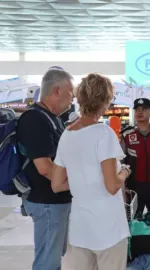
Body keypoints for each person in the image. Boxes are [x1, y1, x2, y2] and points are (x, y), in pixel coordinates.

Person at [51, 73, 131, 269]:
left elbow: (57, 185)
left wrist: (83, 181)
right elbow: (112, 186)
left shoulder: (67, 135)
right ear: (105, 101)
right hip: (109, 227)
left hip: (80, 228)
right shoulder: (104, 133)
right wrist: (124, 172)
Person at [17, 67, 74, 270]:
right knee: (48, 261)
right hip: (47, 201)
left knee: (54, 256)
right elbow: (45, 168)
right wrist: (77, 184)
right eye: (70, 92)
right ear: (57, 91)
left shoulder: (53, 119)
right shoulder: (35, 119)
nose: (72, 98)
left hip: (56, 199)